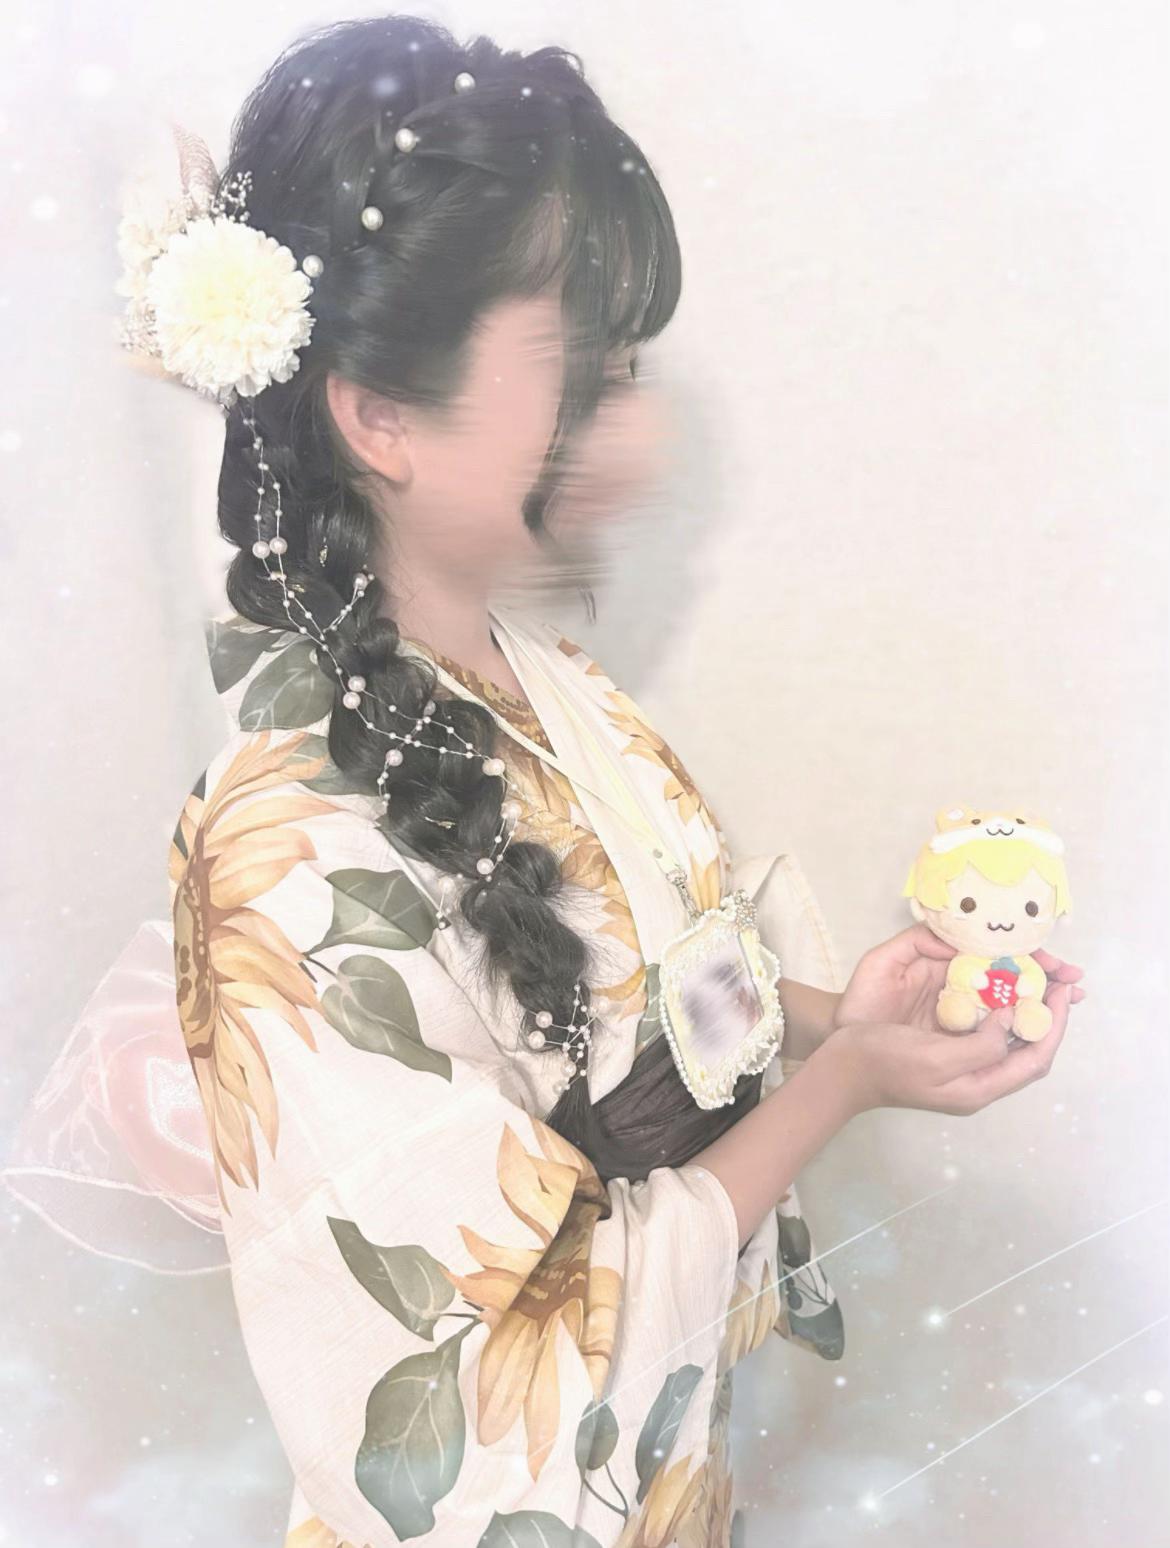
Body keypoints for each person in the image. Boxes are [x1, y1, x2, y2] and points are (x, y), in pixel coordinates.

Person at [8, 15, 1087, 1548]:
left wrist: (834, 1016)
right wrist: (842, 1086)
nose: (638, 436)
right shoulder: (287, 841)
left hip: (668, 1481)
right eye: (589, 377)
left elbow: (649, 997)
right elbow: (465, 1397)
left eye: (626, 372)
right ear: (378, 415)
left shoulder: (547, 684)